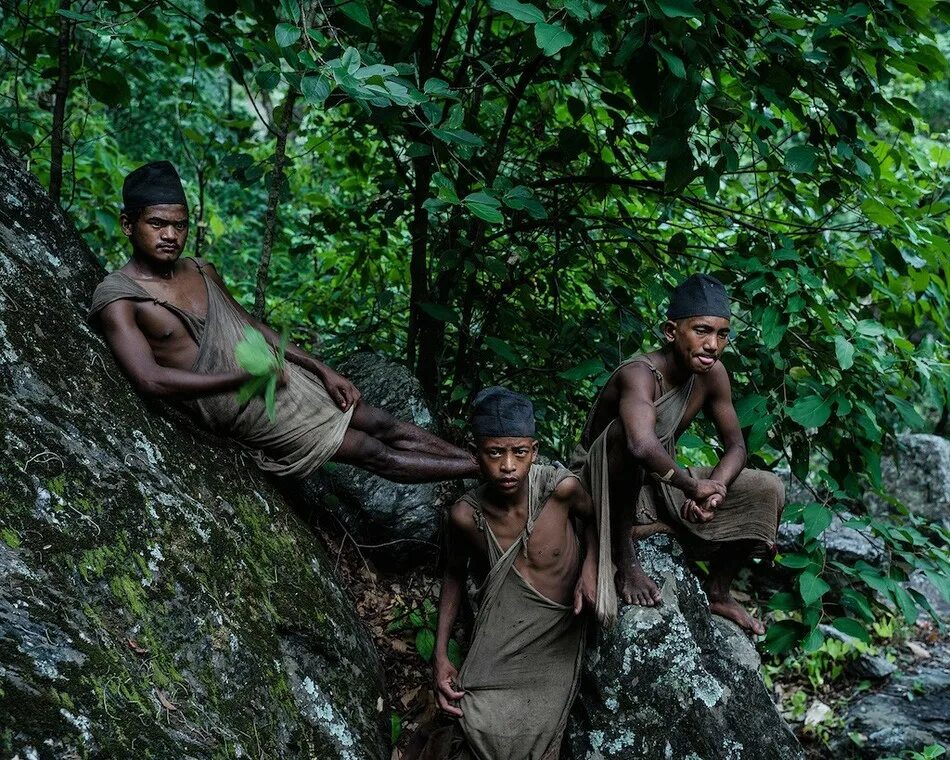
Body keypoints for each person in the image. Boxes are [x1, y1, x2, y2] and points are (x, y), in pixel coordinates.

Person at [88, 161, 477, 483]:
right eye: (157, 224)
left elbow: (251, 325)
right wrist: (241, 380)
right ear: (127, 225)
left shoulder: (200, 269)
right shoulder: (120, 297)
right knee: (373, 453)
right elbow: (150, 380)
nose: (171, 235)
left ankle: (487, 467)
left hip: (280, 375)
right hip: (242, 404)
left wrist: (323, 369)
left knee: (380, 421)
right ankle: (492, 473)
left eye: (181, 224)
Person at [572, 274, 784, 634]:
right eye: (701, 331)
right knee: (626, 435)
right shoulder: (640, 375)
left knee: (769, 488)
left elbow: (736, 447)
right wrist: (690, 487)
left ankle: (717, 591)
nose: (713, 344)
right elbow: (640, 445)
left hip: (656, 487)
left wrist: (714, 488)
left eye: (722, 334)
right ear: (671, 331)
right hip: (600, 486)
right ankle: (625, 558)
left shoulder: (712, 374)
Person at [404, 387, 604, 760]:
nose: (508, 465)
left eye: (519, 453)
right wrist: (442, 655)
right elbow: (453, 575)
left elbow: (595, 522)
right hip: (501, 630)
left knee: (531, 737)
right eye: (494, 453)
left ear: (535, 451)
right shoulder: (466, 516)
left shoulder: (560, 491)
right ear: (476, 453)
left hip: (557, 632)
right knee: (463, 715)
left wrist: (589, 570)